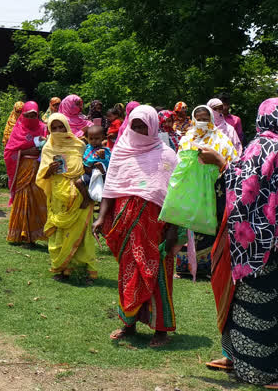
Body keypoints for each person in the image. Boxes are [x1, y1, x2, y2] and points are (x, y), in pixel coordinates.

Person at [198, 98, 278, 388]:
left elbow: (245, 188)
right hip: (268, 241)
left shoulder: (264, 146)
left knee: (256, 306)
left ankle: (261, 371)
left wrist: (220, 162)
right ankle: (235, 357)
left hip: (258, 246)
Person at [94, 105, 179, 348]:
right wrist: (101, 218)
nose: (140, 130)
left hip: (156, 229)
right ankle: (128, 324)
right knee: (128, 274)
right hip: (126, 225)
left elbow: (173, 196)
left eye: (144, 125)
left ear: (153, 126)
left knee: (157, 275)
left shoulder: (167, 155)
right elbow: (110, 188)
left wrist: (173, 229)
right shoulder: (121, 150)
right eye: (135, 125)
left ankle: (161, 330)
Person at [175, 105, 238, 279]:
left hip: (213, 189)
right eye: (199, 118)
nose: (202, 122)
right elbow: (178, 160)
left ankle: (209, 266)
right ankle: (184, 267)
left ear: (210, 119)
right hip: (192, 189)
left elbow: (232, 160)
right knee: (189, 225)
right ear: (194, 120)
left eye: (205, 118)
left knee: (211, 225)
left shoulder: (221, 139)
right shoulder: (187, 138)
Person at [35, 114, 97, 283]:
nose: (58, 131)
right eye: (53, 128)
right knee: (58, 231)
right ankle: (60, 267)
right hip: (58, 197)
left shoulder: (79, 145)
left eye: (61, 127)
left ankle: (82, 270)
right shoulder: (48, 148)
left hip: (80, 195)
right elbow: (42, 176)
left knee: (82, 234)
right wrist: (50, 170)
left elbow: (90, 165)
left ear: (67, 127)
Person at [4, 101, 48, 245]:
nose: (30, 118)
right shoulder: (18, 129)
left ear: (38, 115)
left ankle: (37, 233)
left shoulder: (43, 128)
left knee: (38, 199)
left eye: (33, 115)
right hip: (23, 168)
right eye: (27, 115)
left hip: (40, 169)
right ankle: (20, 233)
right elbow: (9, 152)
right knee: (23, 198)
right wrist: (26, 151)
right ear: (23, 115)